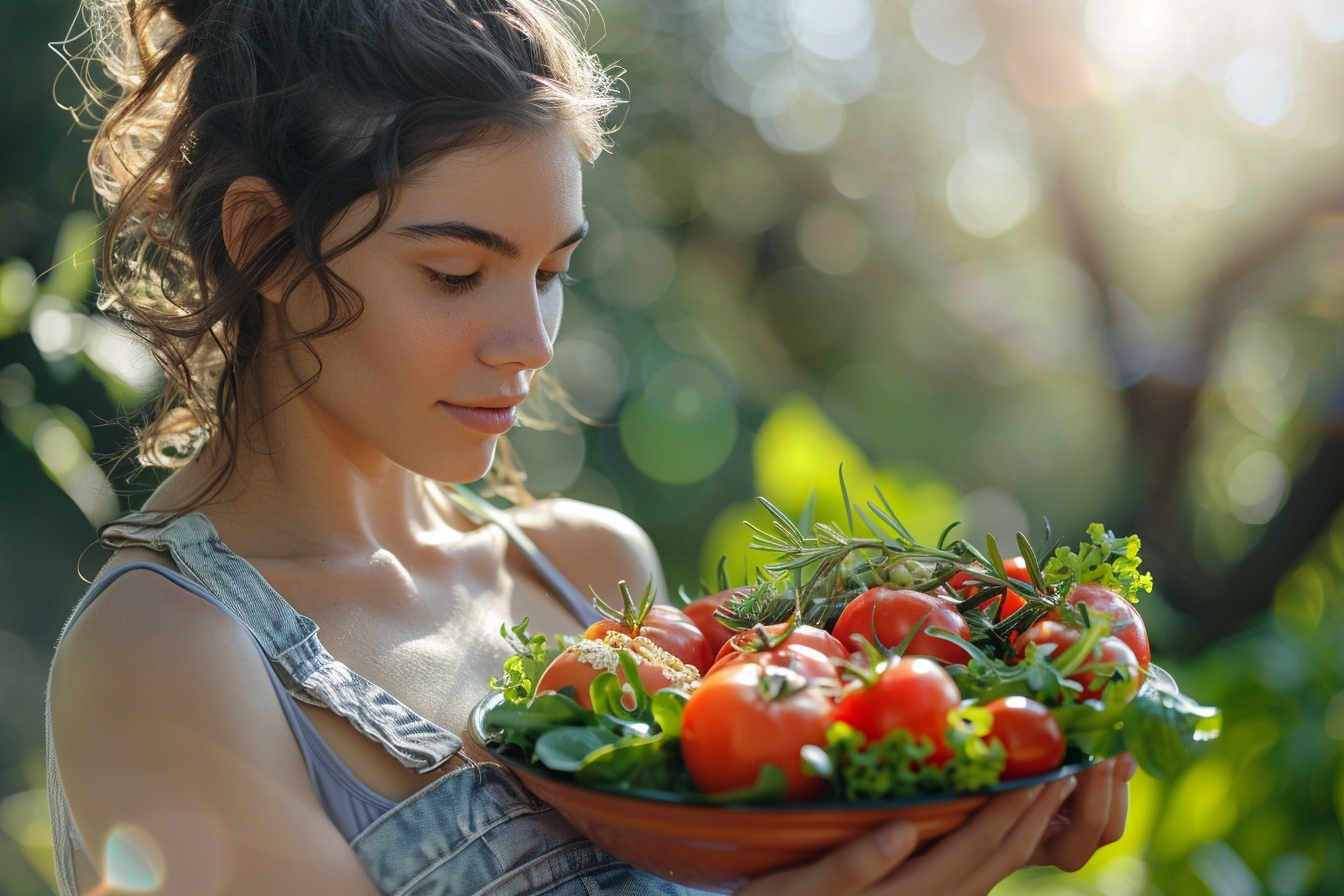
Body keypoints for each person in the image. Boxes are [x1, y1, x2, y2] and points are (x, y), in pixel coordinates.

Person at [44, 1, 1136, 894]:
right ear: (265, 241)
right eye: (455, 274)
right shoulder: (163, 652)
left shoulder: (593, 574)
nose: (528, 344)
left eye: (551, 270)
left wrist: (949, 813)